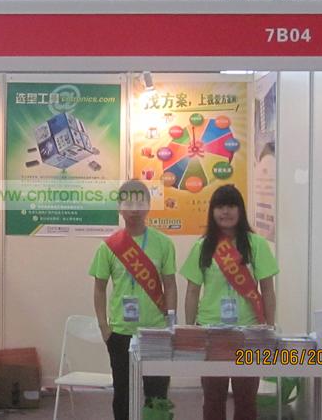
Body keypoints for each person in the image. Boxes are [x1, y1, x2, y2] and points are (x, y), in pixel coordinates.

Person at [180, 184, 279, 420]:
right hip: (211, 332)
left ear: (240, 210)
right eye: (220, 206)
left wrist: (268, 327)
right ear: (212, 211)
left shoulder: (257, 244)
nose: (226, 212)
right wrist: (190, 329)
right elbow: (192, 291)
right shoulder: (203, 246)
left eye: (231, 205)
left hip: (248, 331)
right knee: (213, 398)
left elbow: (267, 289)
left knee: (246, 399)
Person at [89, 179, 177, 420]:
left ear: (148, 206)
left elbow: (170, 284)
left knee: (157, 395)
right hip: (120, 332)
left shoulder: (163, 243)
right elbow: (99, 289)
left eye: (140, 203)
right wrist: (104, 327)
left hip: (156, 331)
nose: (134, 209)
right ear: (119, 208)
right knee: (123, 394)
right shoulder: (109, 247)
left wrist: (171, 323)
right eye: (128, 203)